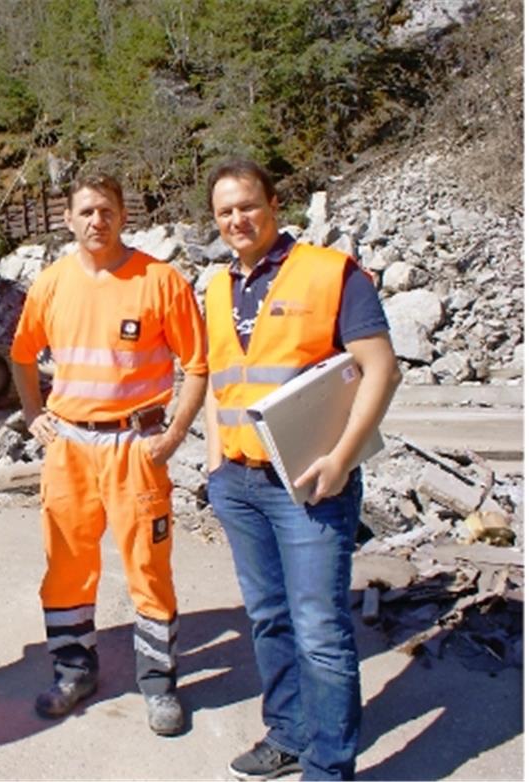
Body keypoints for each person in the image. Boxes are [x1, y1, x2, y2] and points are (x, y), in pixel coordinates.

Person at [202, 159, 400, 781]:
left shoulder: (330, 272)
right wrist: (214, 462)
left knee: (318, 629)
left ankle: (328, 765)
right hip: (239, 483)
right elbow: (217, 380)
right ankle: (288, 733)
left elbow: (381, 368)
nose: (237, 219)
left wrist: (342, 457)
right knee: (269, 618)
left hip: (310, 484)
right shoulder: (217, 287)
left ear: (273, 205)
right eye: (225, 211)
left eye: (247, 206)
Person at [10, 172, 208, 736]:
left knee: (148, 564)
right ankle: (74, 671)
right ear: (68, 219)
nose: (97, 221)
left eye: (107, 211)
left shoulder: (160, 281)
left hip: (134, 446)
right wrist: (33, 413)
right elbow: (21, 354)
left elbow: (198, 365)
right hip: (69, 446)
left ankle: (158, 684)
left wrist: (172, 436)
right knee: (68, 565)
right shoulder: (51, 284)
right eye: (86, 211)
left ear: (123, 216)